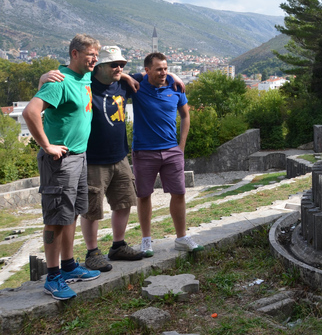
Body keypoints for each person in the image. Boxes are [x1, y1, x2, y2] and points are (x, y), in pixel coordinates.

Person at [39, 46, 147, 272]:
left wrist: (171, 75)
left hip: (120, 156)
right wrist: (42, 78)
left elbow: (153, 71)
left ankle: (118, 245)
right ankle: (92, 252)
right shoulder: (86, 83)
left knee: (124, 201)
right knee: (91, 208)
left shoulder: (123, 83)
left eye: (122, 65)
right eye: (114, 65)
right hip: (93, 158)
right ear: (98, 67)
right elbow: (63, 81)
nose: (119, 68)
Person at [21, 34, 102, 300]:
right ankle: (53, 277)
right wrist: (47, 146)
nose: (95, 59)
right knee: (55, 219)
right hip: (60, 161)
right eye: (90, 54)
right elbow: (31, 112)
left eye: (96, 55)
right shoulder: (60, 80)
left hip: (79, 157)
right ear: (75, 54)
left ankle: (68, 267)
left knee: (72, 214)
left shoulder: (85, 77)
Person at [131, 52, 201, 256]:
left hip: (172, 150)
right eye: (159, 69)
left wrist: (182, 146)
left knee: (179, 193)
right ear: (147, 70)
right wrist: (130, 76)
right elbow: (118, 76)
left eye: (166, 69)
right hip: (144, 150)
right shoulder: (137, 86)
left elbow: (185, 115)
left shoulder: (175, 87)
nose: (163, 73)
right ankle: (146, 240)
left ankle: (181, 237)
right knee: (144, 195)